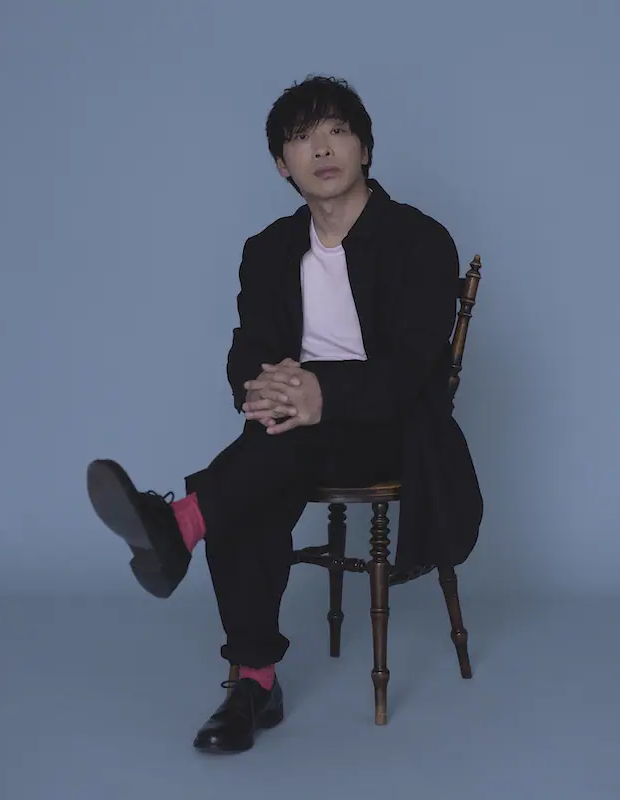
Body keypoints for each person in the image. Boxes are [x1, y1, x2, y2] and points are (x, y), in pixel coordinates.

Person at [86, 75, 483, 754]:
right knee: (271, 449)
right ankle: (249, 678)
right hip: (294, 433)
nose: (321, 149)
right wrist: (262, 390)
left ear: (365, 148)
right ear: (282, 164)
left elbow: (413, 367)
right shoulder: (268, 249)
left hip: (394, 432)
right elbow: (249, 350)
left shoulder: (419, 239)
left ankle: (197, 559)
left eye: (336, 132)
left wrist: (320, 393)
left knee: (264, 456)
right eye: (301, 138)